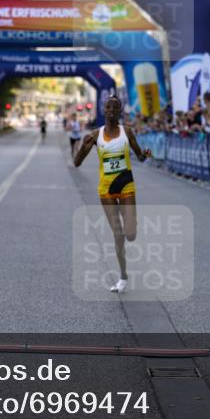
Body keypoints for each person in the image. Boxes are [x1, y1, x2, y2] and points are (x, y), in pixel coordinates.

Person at [73, 96, 152, 293]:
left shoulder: (127, 132)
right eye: (108, 107)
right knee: (118, 235)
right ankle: (123, 277)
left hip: (126, 187)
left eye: (115, 107)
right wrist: (83, 146)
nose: (111, 110)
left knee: (130, 234)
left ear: (119, 111)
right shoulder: (94, 135)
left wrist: (145, 155)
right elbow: (76, 163)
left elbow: (139, 155)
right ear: (103, 110)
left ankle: (129, 231)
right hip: (106, 190)